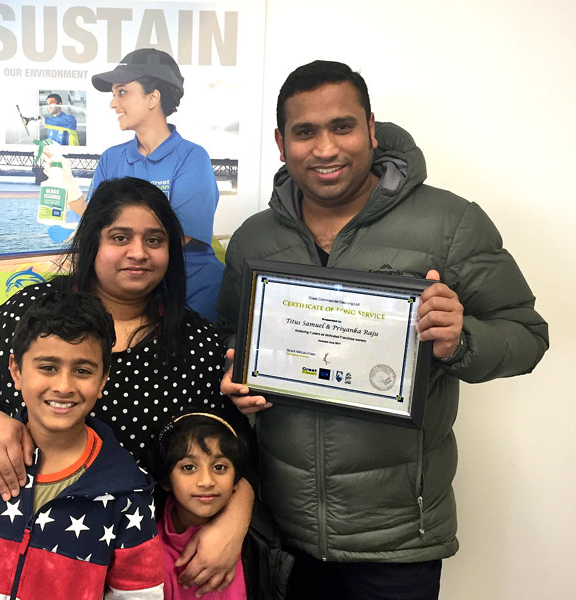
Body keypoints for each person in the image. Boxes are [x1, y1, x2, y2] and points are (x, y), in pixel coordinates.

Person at [215, 61, 549, 598]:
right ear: (281, 143)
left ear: (371, 129)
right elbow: (230, 335)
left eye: (342, 126)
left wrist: (459, 340)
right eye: (305, 132)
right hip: (283, 533)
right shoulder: (255, 238)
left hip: (399, 538)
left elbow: (526, 335)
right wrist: (238, 371)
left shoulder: (451, 223)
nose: (325, 148)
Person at [0, 176, 253, 595]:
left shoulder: (196, 342)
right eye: (120, 237)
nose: (138, 252)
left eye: (154, 240)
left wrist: (237, 515)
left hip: (146, 563)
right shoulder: (35, 311)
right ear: (93, 241)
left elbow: (237, 443)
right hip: (30, 549)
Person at [0, 290, 163, 599]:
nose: (63, 386)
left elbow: (138, 594)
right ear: (16, 371)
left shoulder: (128, 493)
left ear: (103, 380)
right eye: (48, 367)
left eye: (82, 371)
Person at [51, 48, 224, 321]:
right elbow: (97, 227)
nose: (113, 103)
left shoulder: (191, 157)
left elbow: (177, 238)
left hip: (188, 295)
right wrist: (69, 188)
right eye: (113, 94)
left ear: (153, 97)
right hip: (128, 299)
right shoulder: (112, 158)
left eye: (122, 92)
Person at [151, 412, 249, 600]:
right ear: (166, 480)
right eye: (189, 467)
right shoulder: (154, 555)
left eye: (219, 467)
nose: (206, 481)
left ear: (236, 479)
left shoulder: (255, 540)